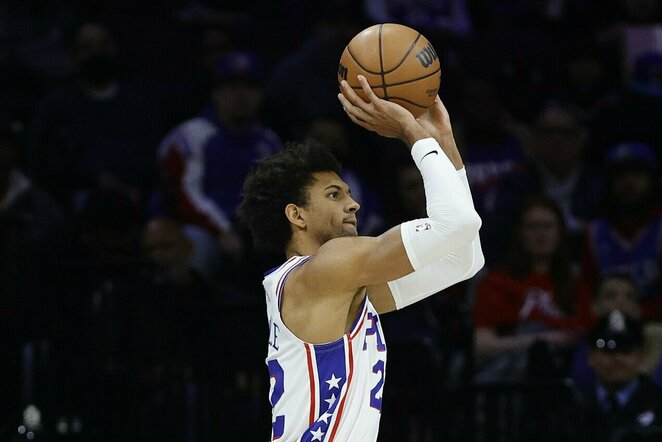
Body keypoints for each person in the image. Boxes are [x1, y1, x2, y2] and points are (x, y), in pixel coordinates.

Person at [237, 75, 483, 441]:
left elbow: (462, 260)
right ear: (297, 215)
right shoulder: (330, 264)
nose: (353, 203)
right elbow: (457, 224)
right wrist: (411, 134)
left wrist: (443, 140)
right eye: (334, 195)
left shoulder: (338, 288)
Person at [153, 51, 281, 262]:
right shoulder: (192, 135)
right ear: (216, 93)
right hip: (191, 227)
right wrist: (222, 230)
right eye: (232, 87)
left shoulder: (268, 142)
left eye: (250, 87)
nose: (241, 95)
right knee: (198, 246)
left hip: (246, 232)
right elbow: (187, 196)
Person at [473, 195, 592, 381]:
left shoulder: (577, 282)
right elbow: (481, 344)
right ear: (520, 233)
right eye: (532, 227)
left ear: (560, 232)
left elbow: (586, 336)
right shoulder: (497, 282)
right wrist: (541, 341)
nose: (540, 234)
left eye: (547, 227)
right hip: (512, 378)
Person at [582, 142, 662, 320]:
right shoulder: (595, 233)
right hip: (605, 324)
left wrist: (642, 312)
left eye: (637, 173)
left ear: (652, 180)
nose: (629, 182)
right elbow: (586, 291)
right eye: (621, 175)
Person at [578, 309, 662, 442]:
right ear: (591, 356)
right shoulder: (574, 407)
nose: (617, 359)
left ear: (641, 356)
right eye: (607, 351)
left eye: (626, 351)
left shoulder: (659, 404)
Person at [572, 272, 662, 390]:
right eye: (611, 296)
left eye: (629, 297)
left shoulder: (655, 338)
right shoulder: (587, 341)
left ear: (638, 309)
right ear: (595, 306)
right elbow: (582, 381)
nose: (621, 302)